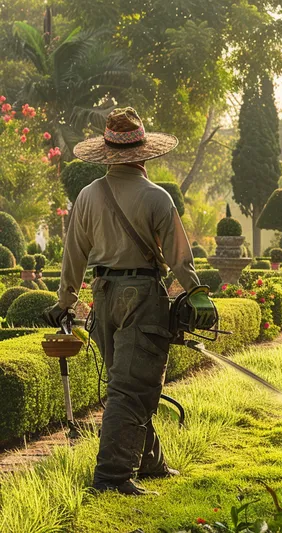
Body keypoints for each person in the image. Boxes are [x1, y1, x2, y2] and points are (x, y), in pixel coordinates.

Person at [46, 108, 215, 496]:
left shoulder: (86, 197)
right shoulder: (156, 197)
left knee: (127, 383)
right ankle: (112, 477)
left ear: (107, 153)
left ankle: (149, 460)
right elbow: (178, 257)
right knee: (132, 387)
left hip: (103, 297)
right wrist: (196, 292)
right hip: (142, 295)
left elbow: (73, 254)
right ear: (144, 152)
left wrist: (66, 299)